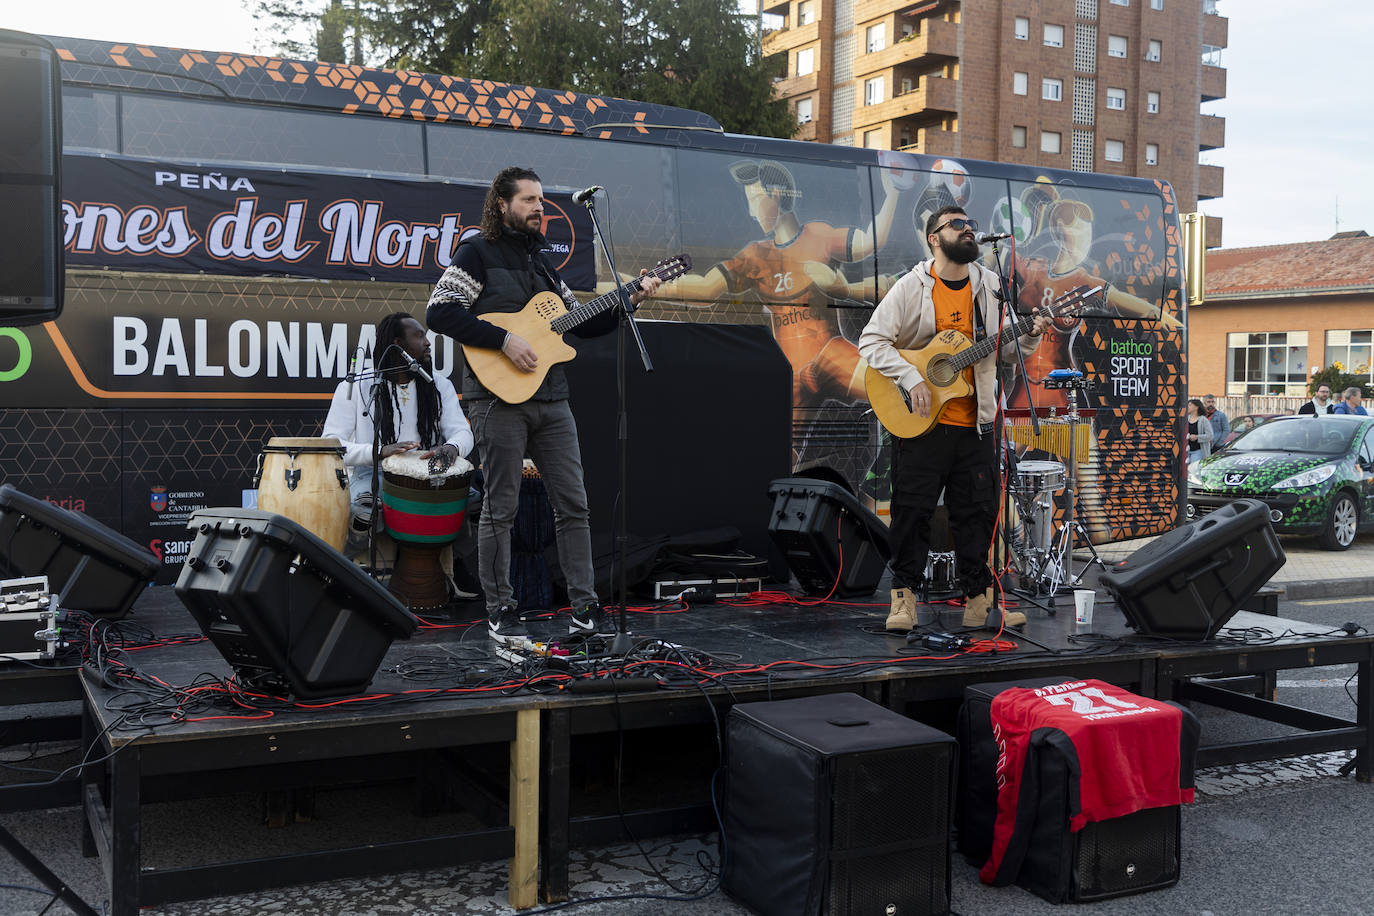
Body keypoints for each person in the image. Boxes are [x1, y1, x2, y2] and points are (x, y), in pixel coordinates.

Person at [425, 166, 660, 644]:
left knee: (574, 505)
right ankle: (501, 610)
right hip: (498, 399)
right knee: (501, 509)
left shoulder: (545, 265)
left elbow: (581, 323)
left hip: (553, 398)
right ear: (502, 205)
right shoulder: (477, 253)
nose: (538, 208)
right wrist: (504, 339)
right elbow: (440, 310)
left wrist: (630, 297)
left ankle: (585, 608)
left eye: (541, 201)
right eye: (529, 200)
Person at [859, 205, 1052, 633]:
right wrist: (911, 378)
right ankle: (904, 599)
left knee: (977, 514)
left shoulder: (990, 286)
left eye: (972, 225)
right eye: (958, 225)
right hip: (921, 424)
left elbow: (1002, 350)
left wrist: (1031, 333)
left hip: (977, 425)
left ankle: (978, 602)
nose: (969, 231)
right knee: (912, 513)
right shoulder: (912, 286)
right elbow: (871, 341)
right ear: (934, 237)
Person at [322, 312, 476, 590]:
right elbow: (332, 444)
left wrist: (452, 448)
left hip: (430, 471)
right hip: (373, 470)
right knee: (362, 514)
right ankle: (335, 576)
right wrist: (379, 451)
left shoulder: (438, 385)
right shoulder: (357, 385)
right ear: (397, 344)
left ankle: (453, 573)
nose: (428, 343)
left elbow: (462, 432)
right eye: (419, 336)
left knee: (472, 503)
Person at [1009, 197, 1183, 410]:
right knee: (1012, 441)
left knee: (1076, 441)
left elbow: (1144, 308)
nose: (1086, 241)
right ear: (1059, 230)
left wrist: (1172, 322)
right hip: (1019, 387)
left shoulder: (1086, 283)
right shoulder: (1033, 268)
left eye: (1088, 233)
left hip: (1060, 389)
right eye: (1079, 232)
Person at [1185, 398, 1213, 463]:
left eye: (1190, 405)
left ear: (1196, 407)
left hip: (1198, 451)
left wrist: (1197, 437)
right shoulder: (1185, 419)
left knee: (1194, 470)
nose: (1187, 407)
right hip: (1186, 451)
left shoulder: (1203, 420)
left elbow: (1210, 436)